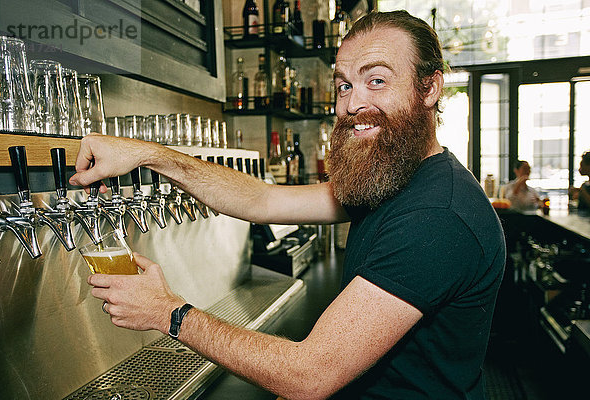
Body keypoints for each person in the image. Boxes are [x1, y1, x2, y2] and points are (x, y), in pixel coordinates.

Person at [69, 10, 505, 399]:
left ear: (429, 88)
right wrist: (150, 155)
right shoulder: (395, 178)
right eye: (344, 85)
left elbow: (309, 374)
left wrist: (169, 312)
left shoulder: (437, 216)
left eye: (377, 80)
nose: (353, 104)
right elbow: (263, 199)